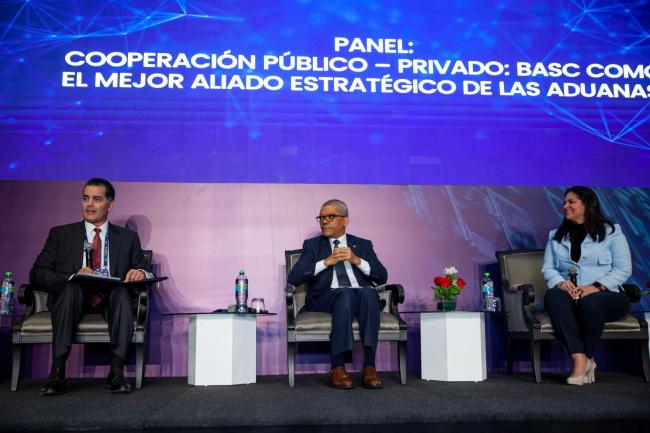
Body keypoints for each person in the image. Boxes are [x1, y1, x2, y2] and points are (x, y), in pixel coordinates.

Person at [30, 178, 152, 396]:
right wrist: (71, 277)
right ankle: (57, 373)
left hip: (109, 297)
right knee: (72, 289)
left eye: (97, 199)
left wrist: (140, 273)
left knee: (121, 293)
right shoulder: (61, 235)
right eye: (86, 198)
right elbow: (37, 273)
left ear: (110, 205)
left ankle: (116, 372)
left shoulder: (127, 238)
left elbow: (143, 269)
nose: (89, 204)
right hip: (72, 298)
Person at [288, 199, 388, 389]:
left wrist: (356, 260)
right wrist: (326, 262)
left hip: (362, 297)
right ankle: (337, 366)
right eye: (321, 217)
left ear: (345, 220)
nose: (324, 221)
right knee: (346, 294)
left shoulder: (363, 245)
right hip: (327, 298)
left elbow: (382, 276)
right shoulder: (313, 245)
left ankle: (369, 366)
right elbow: (294, 277)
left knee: (368, 292)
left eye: (330, 217)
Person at [542, 186, 632, 385]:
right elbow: (548, 268)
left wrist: (594, 287)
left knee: (590, 303)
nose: (565, 206)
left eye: (571, 202)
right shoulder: (555, 236)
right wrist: (560, 283)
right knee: (553, 296)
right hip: (571, 295)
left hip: (608, 295)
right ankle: (579, 357)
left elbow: (623, 269)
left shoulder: (612, 232)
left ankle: (589, 356)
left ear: (587, 204)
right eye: (564, 202)